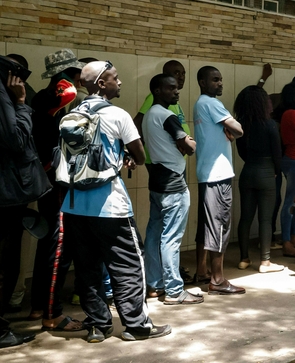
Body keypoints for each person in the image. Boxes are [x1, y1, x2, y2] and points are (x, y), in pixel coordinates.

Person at [64, 60, 171, 342]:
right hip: (110, 206)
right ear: (101, 83)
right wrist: (126, 158)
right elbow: (140, 156)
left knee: (87, 269)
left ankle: (98, 326)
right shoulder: (118, 115)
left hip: (73, 206)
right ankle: (136, 327)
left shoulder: (72, 112)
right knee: (128, 267)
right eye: (115, 78)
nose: (119, 82)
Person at [29, 49, 85, 331]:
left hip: (48, 182)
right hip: (52, 184)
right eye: (77, 73)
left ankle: (39, 304)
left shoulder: (47, 101)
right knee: (58, 245)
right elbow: (70, 92)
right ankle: (51, 314)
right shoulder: (50, 97)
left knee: (50, 244)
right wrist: (68, 81)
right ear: (67, 75)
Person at [0, 55, 49, 348]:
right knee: (7, 263)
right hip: (6, 195)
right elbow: (16, 139)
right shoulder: (6, 96)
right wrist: (20, 104)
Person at [142, 74, 202, 305]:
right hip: (174, 184)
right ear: (157, 91)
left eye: (177, 88)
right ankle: (175, 290)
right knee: (171, 238)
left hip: (157, 181)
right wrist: (190, 140)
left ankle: (155, 285)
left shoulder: (149, 115)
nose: (176, 92)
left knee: (154, 234)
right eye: (171, 88)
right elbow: (189, 147)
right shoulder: (167, 115)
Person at [194, 66, 245, 294]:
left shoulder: (200, 104)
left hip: (208, 173)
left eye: (221, 79)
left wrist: (229, 131)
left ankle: (203, 271)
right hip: (218, 174)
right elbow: (239, 130)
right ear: (203, 83)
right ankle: (217, 279)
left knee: (209, 225)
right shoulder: (212, 103)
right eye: (215, 80)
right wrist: (232, 127)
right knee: (220, 225)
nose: (220, 83)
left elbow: (230, 133)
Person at [234, 86, 285, 274]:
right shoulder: (270, 124)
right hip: (267, 172)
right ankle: (265, 261)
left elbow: (241, 152)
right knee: (265, 219)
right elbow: (277, 153)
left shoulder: (240, 124)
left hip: (248, 171)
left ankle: (243, 258)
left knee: (245, 217)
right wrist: (276, 171)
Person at [275, 83, 295, 258]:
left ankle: (293, 236)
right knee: (291, 202)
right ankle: (287, 240)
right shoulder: (293, 114)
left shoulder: (289, 113)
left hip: (293, 158)